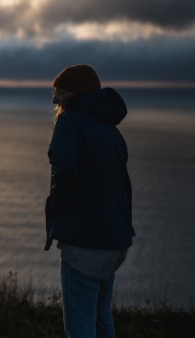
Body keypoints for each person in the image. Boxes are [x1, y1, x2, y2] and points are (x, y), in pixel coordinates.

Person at [44, 64, 135, 338]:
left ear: (72, 94)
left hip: (86, 240)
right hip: (114, 240)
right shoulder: (109, 129)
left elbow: (65, 169)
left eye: (57, 94)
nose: (55, 101)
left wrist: (59, 205)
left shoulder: (69, 122)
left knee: (80, 323)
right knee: (100, 317)